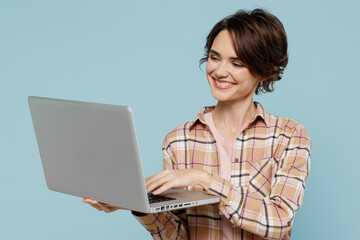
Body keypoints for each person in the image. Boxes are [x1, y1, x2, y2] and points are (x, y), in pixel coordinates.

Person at [83, 8, 311, 240]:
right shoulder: (179, 141)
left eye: (237, 63)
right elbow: (179, 236)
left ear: (264, 71)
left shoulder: (289, 136)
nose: (219, 71)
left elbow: (280, 221)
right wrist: (141, 204)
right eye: (214, 57)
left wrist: (203, 179)